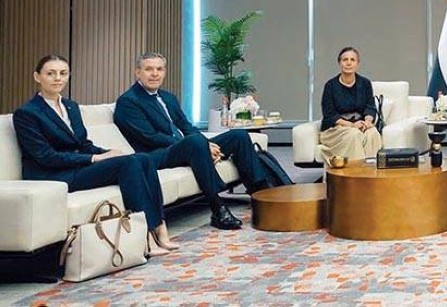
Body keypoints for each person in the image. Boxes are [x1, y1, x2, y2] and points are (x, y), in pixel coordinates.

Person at [14, 55, 177, 256]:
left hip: (77, 168)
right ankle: (146, 237)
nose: (57, 78)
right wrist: (93, 159)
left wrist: (106, 153)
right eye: (50, 73)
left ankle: (160, 227)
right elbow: (46, 157)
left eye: (63, 73)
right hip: (53, 175)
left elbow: (83, 144)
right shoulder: (27, 113)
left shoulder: (71, 106)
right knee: (129, 164)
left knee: (142, 158)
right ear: (37, 76)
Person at [114, 52, 265, 230]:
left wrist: (205, 144)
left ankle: (260, 194)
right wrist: (197, 145)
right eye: (149, 69)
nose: (155, 74)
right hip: (154, 155)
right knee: (194, 143)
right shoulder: (128, 101)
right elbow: (150, 137)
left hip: (185, 147)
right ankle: (218, 209)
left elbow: (186, 126)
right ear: (137, 72)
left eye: (159, 69)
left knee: (238, 136)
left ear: (164, 72)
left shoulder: (168, 97)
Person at [318, 47, 382, 164]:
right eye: (345, 60)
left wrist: (367, 121)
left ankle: (370, 170)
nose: (349, 63)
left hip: (360, 125)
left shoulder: (365, 83)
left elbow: (370, 107)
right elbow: (329, 114)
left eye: (352, 60)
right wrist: (352, 125)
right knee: (354, 134)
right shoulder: (330, 86)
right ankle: (356, 171)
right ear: (339, 63)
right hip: (335, 129)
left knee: (373, 133)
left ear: (357, 64)